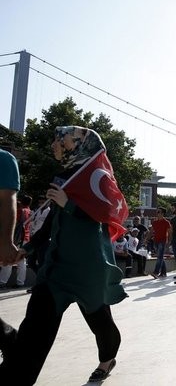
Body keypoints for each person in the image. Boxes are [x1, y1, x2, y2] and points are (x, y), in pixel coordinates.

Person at [0, 126, 128, 384]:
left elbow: (105, 214)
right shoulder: (65, 177)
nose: (53, 145)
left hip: (88, 271)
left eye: (60, 140)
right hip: (55, 270)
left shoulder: (97, 177)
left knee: (101, 326)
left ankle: (107, 359)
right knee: (35, 329)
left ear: (78, 145)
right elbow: (50, 225)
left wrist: (68, 204)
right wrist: (28, 248)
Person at [0, 148, 21, 361]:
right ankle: (8, 337)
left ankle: (8, 337)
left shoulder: (4, 159)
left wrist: (6, 241)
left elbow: (8, 201)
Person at [0, 195, 31, 288]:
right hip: (25, 238)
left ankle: (2, 282)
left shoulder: (19, 211)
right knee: (21, 262)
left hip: (17, 238)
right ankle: (20, 282)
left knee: (10, 257)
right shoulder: (29, 211)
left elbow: (13, 225)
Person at [149, 207, 172, 279]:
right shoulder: (155, 222)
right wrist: (147, 239)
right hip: (156, 241)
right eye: (157, 212)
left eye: (159, 212)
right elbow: (151, 231)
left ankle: (156, 272)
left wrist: (169, 242)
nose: (157, 213)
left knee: (159, 257)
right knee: (160, 257)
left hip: (163, 241)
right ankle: (163, 273)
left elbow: (170, 232)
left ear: (163, 213)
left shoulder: (166, 222)